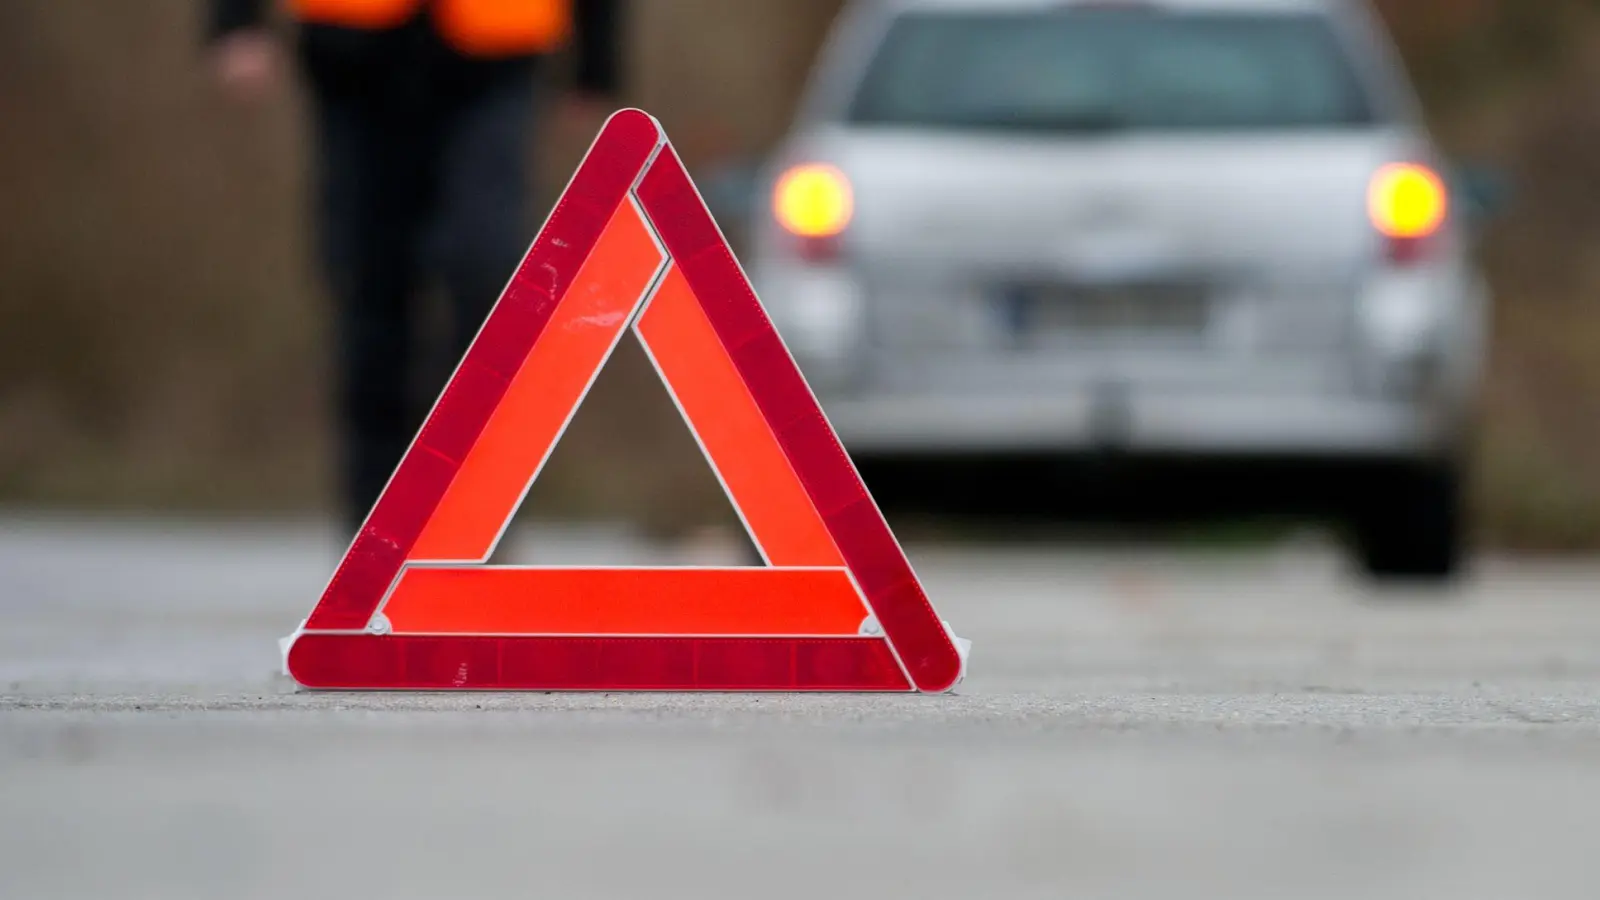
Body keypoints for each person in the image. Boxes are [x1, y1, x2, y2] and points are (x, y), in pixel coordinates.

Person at [206, 0, 624, 533]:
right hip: (353, 53)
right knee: (368, 291)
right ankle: (372, 534)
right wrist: (236, 20)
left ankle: (477, 519)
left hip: (497, 53)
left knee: (490, 278)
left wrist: (597, 61)